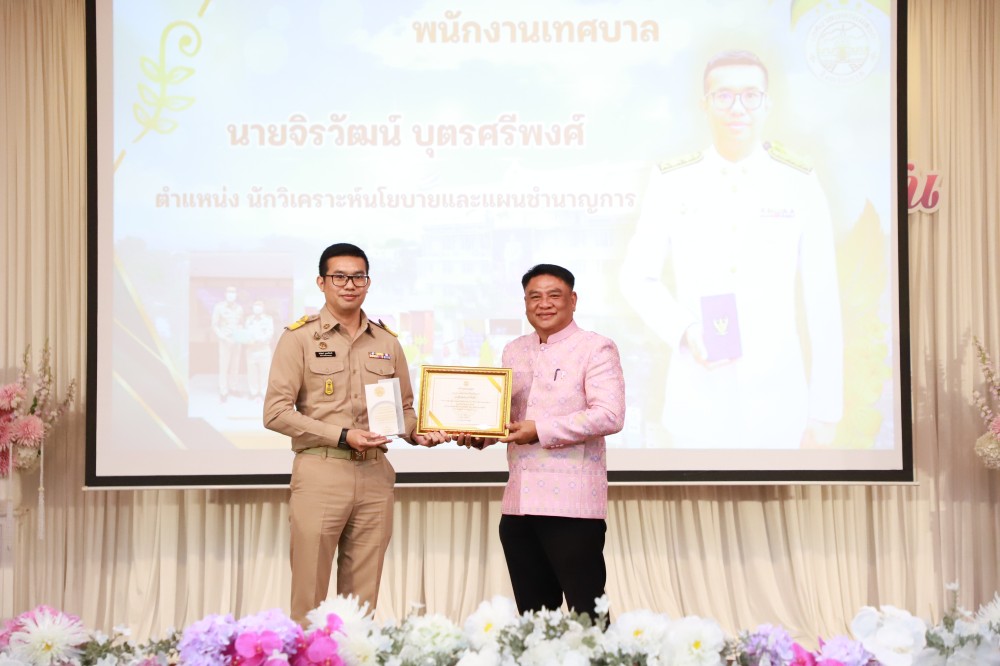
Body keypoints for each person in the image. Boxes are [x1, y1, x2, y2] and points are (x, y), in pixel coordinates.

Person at [619, 49, 843, 449]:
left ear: (766, 103)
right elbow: (637, 277)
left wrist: (826, 409)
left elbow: (823, 298)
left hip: (778, 400)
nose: (737, 107)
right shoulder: (672, 181)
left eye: (750, 95)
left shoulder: (798, 181)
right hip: (697, 401)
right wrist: (685, 330)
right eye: (723, 96)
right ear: (704, 105)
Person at [264, 242, 450, 625]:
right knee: (309, 599)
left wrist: (419, 433)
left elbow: (404, 411)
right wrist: (342, 435)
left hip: (374, 476)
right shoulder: (299, 338)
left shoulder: (387, 341)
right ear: (321, 282)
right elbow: (276, 413)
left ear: (368, 282)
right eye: (339, 277)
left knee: (362, 605)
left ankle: (356, 651)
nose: (350, 285)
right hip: (321, 472)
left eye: (358, 277)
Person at [458, 264, 626, 621]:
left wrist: (540, 430)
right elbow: (506, 417)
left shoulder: (595, 348)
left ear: (573, 300)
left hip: (572, 507)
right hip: (518, 505)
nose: (544, 304)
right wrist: (480, 433)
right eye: (534, 296)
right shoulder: (514, 350)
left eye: (554, 295)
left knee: (587, 616)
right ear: (525, 303)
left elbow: (609, 415)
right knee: (534, 620)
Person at [211, 285, 244, 402]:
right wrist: (224, 338)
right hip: (225, 341)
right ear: (225, 294)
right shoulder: (219, 307)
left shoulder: (239, 308)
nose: (231, 295)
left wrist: (240, 335)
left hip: (237, 342)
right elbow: (215, 325)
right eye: (229, 292)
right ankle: (223, 391)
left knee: (235, 366)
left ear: (236, 295)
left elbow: (241, 323)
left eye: (233, 292)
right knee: (224, 367)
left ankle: (233, 388)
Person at [244, 300, 275, 401]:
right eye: (255, 305)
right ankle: (253, 392)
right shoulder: (249, 319)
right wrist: (248, 340)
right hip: (251, 349)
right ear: (253, 307)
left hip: (263, 349)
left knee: (264, 372)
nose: (257, 307)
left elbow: (270, 333)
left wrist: (259, 340)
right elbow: (246, 333)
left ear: (263, 307)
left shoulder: (268, 319)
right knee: (252, 372)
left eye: (259, 305)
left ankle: (263, 392)